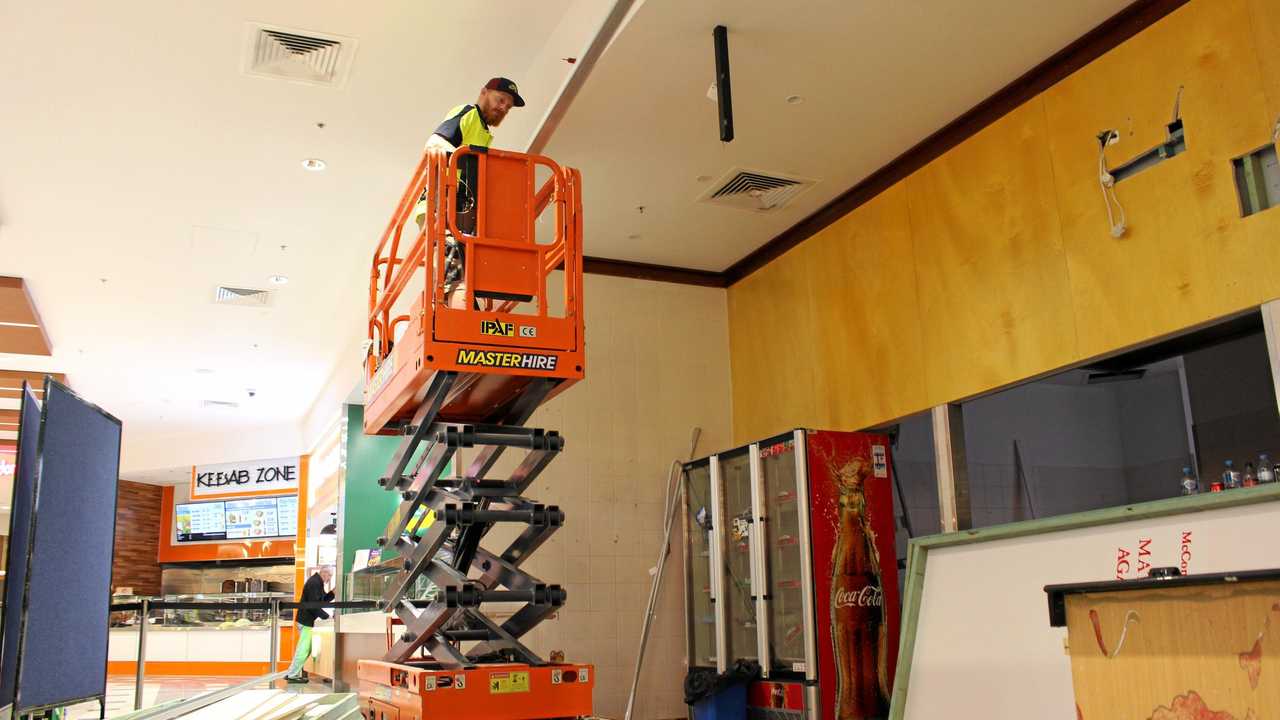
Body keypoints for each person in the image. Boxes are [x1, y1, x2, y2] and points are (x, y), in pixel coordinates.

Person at [414, 78, 526, 309]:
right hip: (441, 202)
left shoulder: (483, 132)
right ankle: (447, 311)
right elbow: (435, 144)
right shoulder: (469, 114)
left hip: (458, 209)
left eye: (508, 106)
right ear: (484, 92)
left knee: (462, 272)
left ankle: (456, 307)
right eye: (501, 99)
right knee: (452, 272)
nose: (503, 108)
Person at [285, 566, 334, 684]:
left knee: (305, 649)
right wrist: (327, 617)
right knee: (303, 649)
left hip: (305, 620)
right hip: (306, 621)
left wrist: (332, 593)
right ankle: (292, 675)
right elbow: (313, 605)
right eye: (330, 576)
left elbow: (320, 601)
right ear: (324, 573)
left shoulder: (317, 581)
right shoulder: (315, 583)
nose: (330, 578)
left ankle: (292, 673)